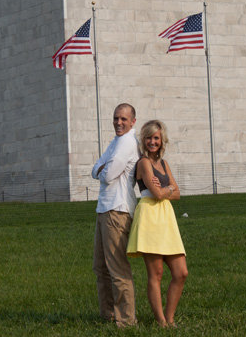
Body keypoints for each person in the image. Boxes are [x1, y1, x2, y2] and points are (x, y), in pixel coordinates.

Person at [126, 120, 188, 327]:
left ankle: (170, 318)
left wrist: (167, 190)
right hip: (149, 216)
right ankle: (161, 321)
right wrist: (168, 189)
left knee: (181, 273)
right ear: (143, 140)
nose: (153, 142)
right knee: (157, 273)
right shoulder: (143, 163)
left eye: (156, 138)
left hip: (166, 217)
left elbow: (176, 193)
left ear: (162, 141)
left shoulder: (163, 164)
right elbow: (158, 193)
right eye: (149, 138)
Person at [91, 103, 139, 327]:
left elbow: (108, 174)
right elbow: (96, 168)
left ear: (133, 122)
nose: (118, 122)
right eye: (115, 118)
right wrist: (101, 168)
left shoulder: (128, 142)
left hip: (117, 210)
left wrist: (102, 168)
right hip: (104, 209)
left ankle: (127, 321)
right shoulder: (116, 142)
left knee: (117, 269)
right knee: (101, 267)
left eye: (123, 119)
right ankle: (108, 314)